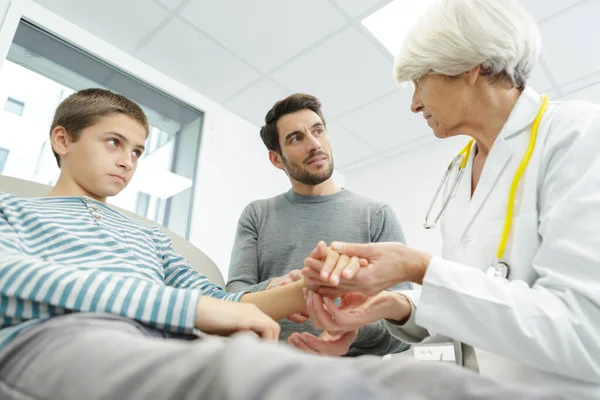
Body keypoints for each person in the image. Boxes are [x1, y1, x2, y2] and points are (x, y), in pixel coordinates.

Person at [0, 88, 560, 400]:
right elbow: (17, 280)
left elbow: (229, 303)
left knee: (419, 380)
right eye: (114, 142)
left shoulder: (150, 237)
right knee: (251, 378)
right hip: (64, 334)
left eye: (140, 150)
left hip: (172, 337)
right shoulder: (13, 210)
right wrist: (199, 310)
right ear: (61, 139)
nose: (128, 159)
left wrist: (306, 287)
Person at [301, 0, 600, 399]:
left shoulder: (577, 136)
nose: (414, 104)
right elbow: (473, 305)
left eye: (419, 81)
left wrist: (418, 266)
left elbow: (587, 332)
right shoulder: (461, 172)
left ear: (469, 66)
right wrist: (394, 305)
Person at [226, 93, 409, 356]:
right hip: (270, 372)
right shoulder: (257, 214)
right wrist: (275, 288)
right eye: (296, 138)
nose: (314, 144)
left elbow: (405, 328)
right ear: (277, 159)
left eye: (318, 131)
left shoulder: (376, 215)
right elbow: (233, 296)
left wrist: (352, 324)